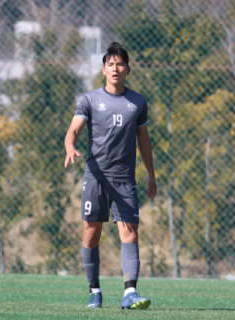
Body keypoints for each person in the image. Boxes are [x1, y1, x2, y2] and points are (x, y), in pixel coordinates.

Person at [65, 42, 157, 309]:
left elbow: (144, 140)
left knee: (130, 234)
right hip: (96, 178)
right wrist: (70, 146)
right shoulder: (90, 99)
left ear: (128, 69)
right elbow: (73, 131)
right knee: (91, 234)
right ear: (103, 69)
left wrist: (151, 175)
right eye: (110, 64)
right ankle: (95, 291)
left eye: (120, 64)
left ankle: (130, 293)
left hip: (125, 179)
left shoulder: (138, 102)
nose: (115, 68)